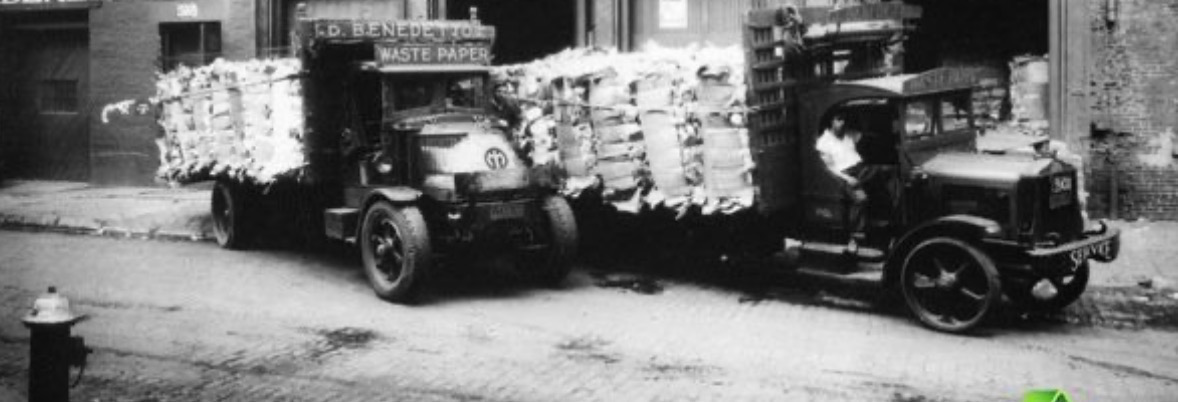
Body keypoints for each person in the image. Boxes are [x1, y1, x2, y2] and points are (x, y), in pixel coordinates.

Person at [816, 112, 883, 253]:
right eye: (839, 119)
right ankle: (855, 236)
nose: (842, 123)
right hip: (844, 174)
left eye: (844, 119)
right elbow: (830, 168)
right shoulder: (824, 142)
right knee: (860, 199)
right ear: (831, 122)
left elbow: (865, 135)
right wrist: (848, 179)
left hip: (860, 169)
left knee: (886, 171)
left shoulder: (848, 134)